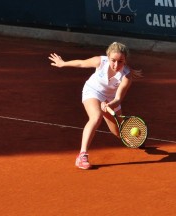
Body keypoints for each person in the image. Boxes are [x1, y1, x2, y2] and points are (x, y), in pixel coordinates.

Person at [49, 42, 141, 170]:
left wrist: (109, 104)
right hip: (93, 91)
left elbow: (118, 98)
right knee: (96, 117)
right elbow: (81, 63)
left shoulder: (127, 75)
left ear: (125, 61)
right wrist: (63, 63)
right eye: (113, 60)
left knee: (119, 133)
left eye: (120, 61)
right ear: (108, 57)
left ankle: (131, 138)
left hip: (111, 99)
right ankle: (82, 156)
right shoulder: (100, 61)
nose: (116, 65)